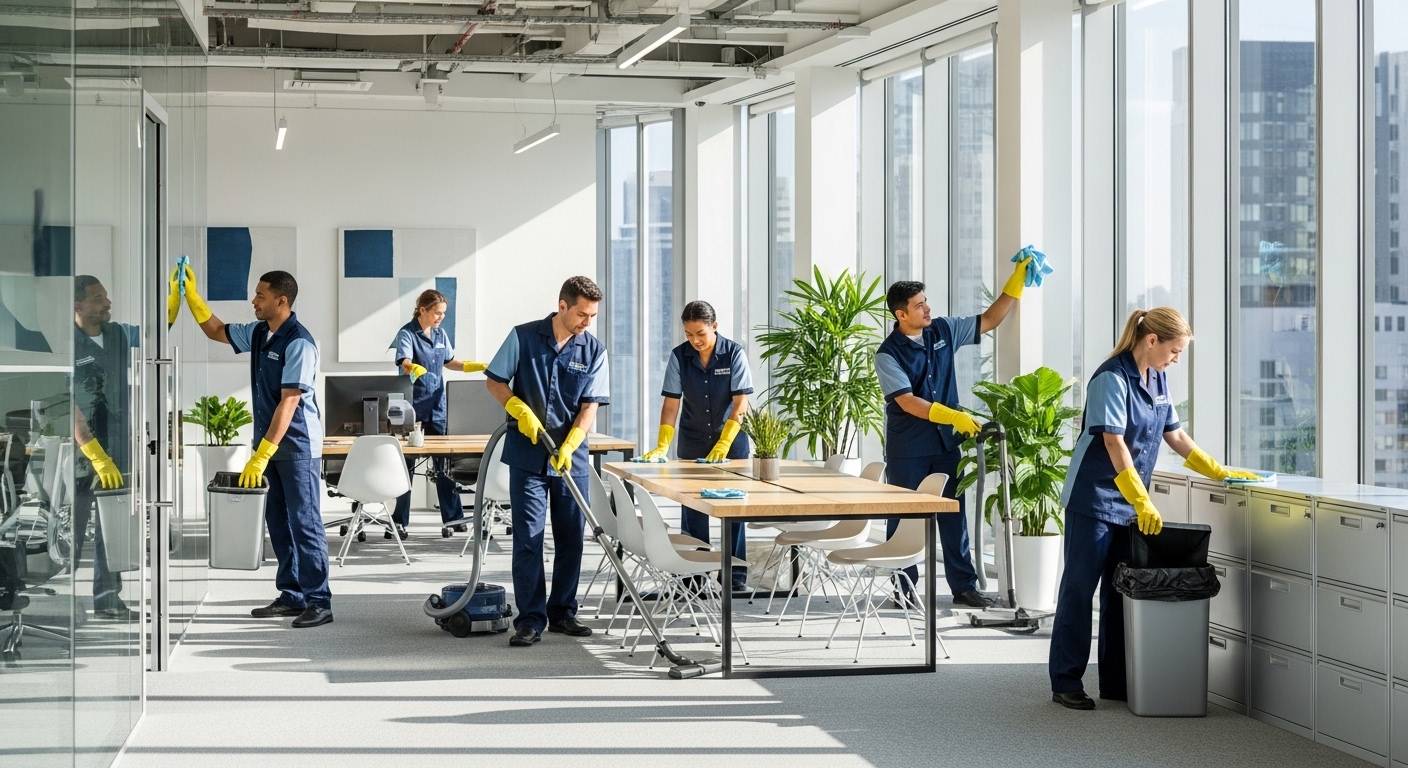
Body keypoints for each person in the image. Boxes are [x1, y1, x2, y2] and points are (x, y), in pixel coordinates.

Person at [1049, 307, 1257, 710]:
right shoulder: (1112, 377)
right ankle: (1066, 681)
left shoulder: (1158, 378)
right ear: (1152, 340)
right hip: (1093, 499)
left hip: (1129, 503)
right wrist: (1141, 498)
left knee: (1121, 590)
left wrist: (1218, 470)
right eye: (1175, 351)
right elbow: (1114, 442)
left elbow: (1175, 435)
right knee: (1079, 589)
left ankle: (1116, 680)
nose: (1177, 359)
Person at [873, 255, 1037, 609]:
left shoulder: (943, 330)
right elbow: (906, 401)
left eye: (926, 301)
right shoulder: (887, 354)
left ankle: (963, 587)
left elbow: (990, 320)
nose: (927, 309)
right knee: (904, 516)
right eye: (919, 306)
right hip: (909, 448)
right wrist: (952, 415)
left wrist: (1016, 283)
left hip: (946, 445)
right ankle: (905, 589)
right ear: (901, 315)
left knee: (953, 513)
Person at [179, 266, 334, 628]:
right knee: (278, 522)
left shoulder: (299, 342)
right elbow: (217, 331)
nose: (254, 301)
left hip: (296, 447)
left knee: (305, 522)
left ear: (282, 300)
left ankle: (320, 601)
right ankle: (293, 595)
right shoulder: (262, 332)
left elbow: (289, 402)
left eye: (260, 296)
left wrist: (261, 455)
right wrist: (192, 298)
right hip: (268, 444)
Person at [485, 276, 610, 647]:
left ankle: (562, 613)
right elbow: (494, 381)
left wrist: (573, 442)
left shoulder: (594, 350)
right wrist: (515, 406)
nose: (587, 322)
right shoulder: (522, 337)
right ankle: (530, 619)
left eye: (593, 316)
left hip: (571, 458)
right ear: (563, 306)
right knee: (529, 539)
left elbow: (590, 407)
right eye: (582, 314)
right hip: (528, 454)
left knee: (571, 538)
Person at [639, 300, 753, 591]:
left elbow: (740, 404)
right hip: (692, 442)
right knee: (693, 508)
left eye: (700, 333)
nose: (695, 340)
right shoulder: (679, 356)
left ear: (714, 326)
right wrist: (662, 444)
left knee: (734, 509)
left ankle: (734, 575)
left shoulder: (734, 354)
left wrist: (724, 443)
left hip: (731, 443)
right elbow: (670, 405)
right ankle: (694, 576)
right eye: (689, 334)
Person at [389, 289, 489, 538]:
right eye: (437, 313)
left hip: (438, 407)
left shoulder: (441, 334)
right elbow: (404, 361)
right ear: (422, 310)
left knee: (445, 464)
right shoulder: (407, 333)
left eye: (443, 313)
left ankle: (453, 518)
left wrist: (473, 366)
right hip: (412, 407)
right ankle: (399, 520)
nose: (440, 318)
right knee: (407, 465)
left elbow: (449, 362)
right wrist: (414, 368)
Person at [72, 275, 139, 620]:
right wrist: (96, 457)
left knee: (110, 525)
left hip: (118, 442)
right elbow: (70, 409)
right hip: (83, 452)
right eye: (98, 299)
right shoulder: (67, 345)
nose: (107, 303)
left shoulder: (118, 335)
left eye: (106, 297)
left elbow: (158, 330)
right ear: (79, 307)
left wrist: (173, 300)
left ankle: (108, 598)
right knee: (73, 525)